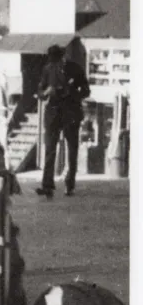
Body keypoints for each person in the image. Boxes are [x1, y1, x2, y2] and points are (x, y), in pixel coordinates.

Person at [36, 44, 90, 198]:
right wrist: (46, 92)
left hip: (71, 112)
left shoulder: (75, 69)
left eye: (58, 60)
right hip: (53, 112)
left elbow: (86, 90)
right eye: (53, 61)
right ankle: (47, 186)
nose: (56, 63)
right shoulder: (48, 69)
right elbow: (40, 91)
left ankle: (70, 185)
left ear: (63, 57)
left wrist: (72, 93)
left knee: (72, 149)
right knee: (49, 149)